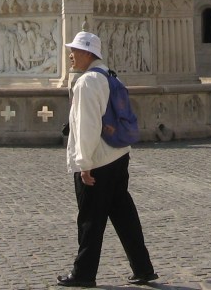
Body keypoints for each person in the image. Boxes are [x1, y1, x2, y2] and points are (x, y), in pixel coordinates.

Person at [57, 31, 157, 288]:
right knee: (124, 215)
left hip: (98, 161)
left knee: (90, 218)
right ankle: (143, 268)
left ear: (87, 53)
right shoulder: (111, 76)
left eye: (74, 50)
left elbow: (87, 126)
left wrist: (84, 164)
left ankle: (83, 274)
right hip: (119, 155)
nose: (70, 55)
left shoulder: (87, 82)